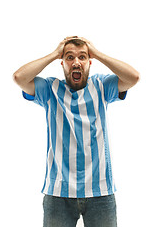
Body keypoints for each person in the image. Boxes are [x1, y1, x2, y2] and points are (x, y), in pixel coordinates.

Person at [13, 36, 140, 227]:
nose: (76, 62)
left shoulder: (102, 86)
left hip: (100, 192)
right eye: (70, 57)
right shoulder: (50, 89)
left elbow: (133, 77)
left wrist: (96, 53)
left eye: (82, 57)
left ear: (89, 62)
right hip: (58, 194)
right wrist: (55, 53)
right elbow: (19, 77)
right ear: (62, 63)